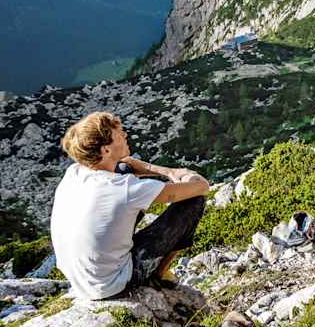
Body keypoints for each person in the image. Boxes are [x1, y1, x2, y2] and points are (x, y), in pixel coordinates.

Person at [50, 111, 210, 300]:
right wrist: (177, 172)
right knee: (193, 201)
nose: (125, 135)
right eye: (119, 134)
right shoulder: (124, 189)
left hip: (81, 281)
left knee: (123, 169)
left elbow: (125, 165)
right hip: (113, 285)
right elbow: (201, 187)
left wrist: (153, 169)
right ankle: (159, 273)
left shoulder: (74, 172)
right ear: (105, 150)